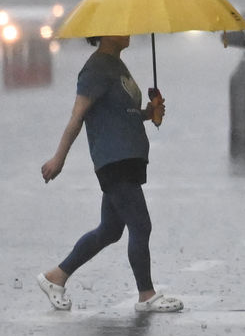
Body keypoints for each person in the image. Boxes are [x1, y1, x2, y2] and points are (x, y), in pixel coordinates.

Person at [37, 34, 183, 313]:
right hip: (113, 159)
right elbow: (77, 116)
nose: (127, 32)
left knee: (110, 230)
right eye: (120, 27)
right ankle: (146, 295)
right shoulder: (95, 69)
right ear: (103, 32)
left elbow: (121, 112)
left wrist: (148, 112)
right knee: (141, 225)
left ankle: (55, 276)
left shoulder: (116, 65)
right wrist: (59, 158)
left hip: (128, 157)